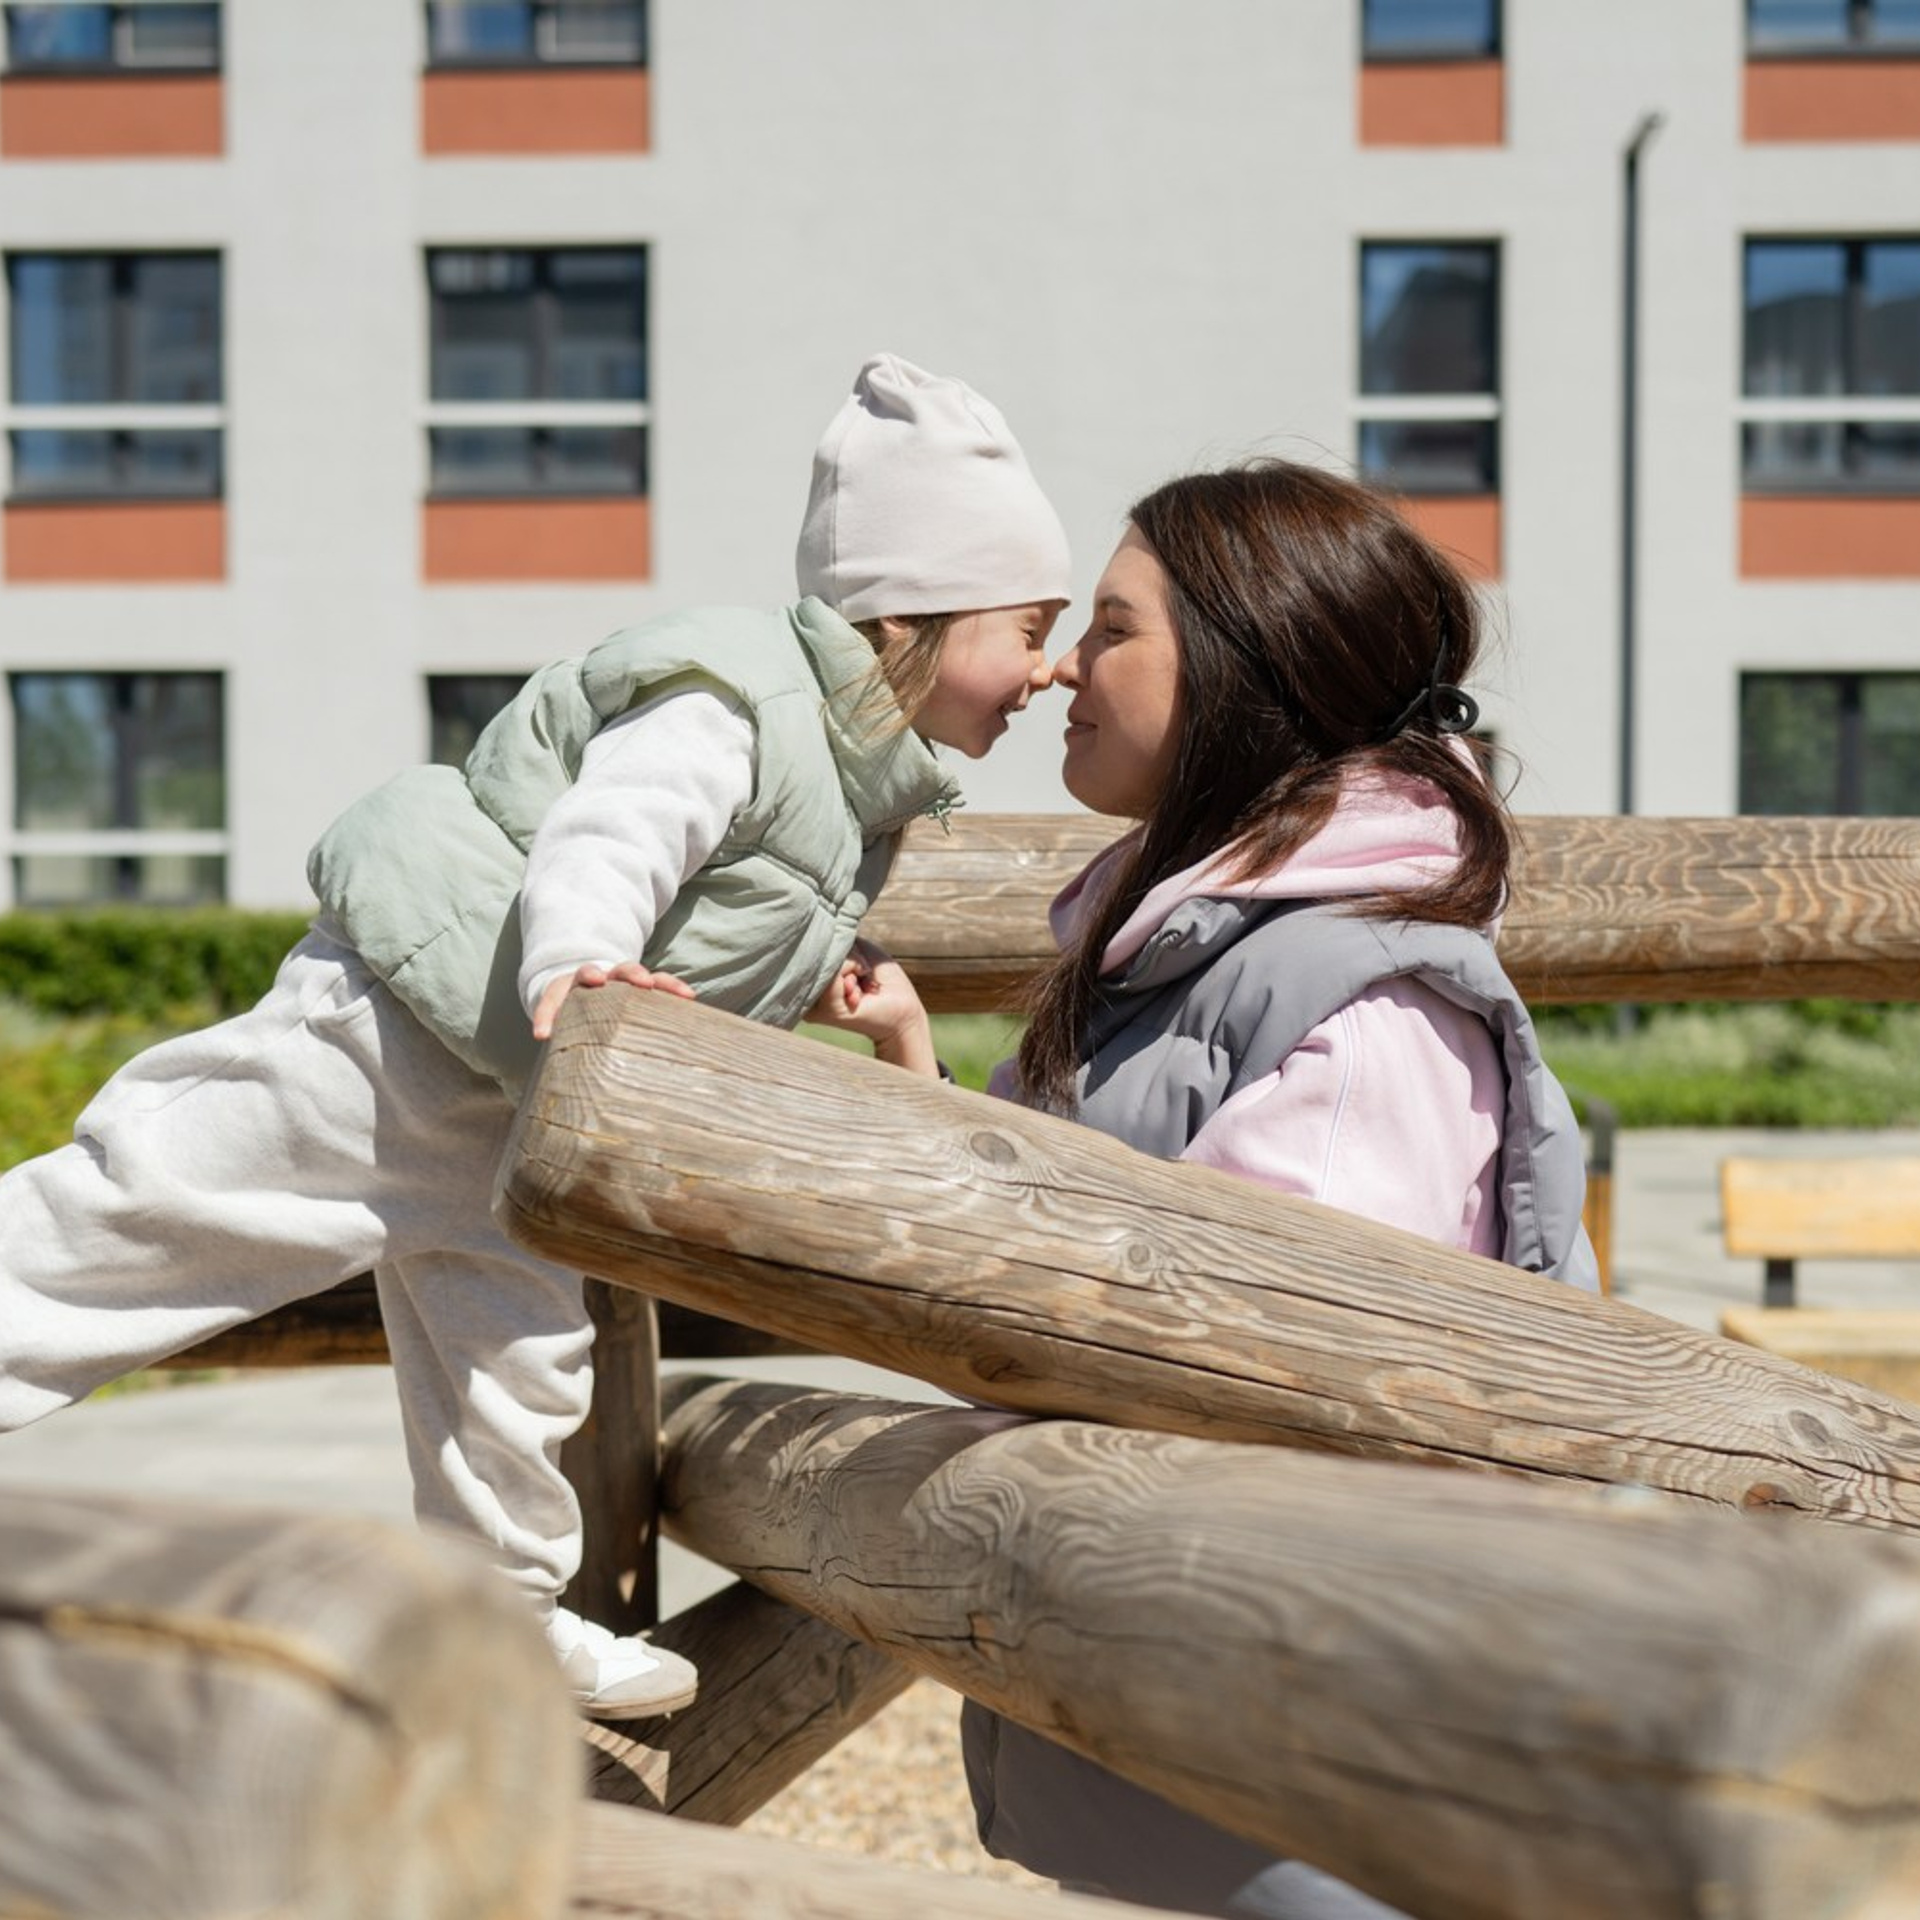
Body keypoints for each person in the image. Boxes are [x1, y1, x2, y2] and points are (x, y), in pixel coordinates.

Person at [0, 352, 1071, 1720]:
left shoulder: (855, 794)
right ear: (914, 611)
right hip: (402, 1041)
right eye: (1031, 627)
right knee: (147, 1207)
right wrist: (577, 949)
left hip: (516, 1124)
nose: (1044, 672)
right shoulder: (737, 697)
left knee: (520, 1373)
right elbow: (614, 831)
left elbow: (720, 912)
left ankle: (500, 1612)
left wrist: (805, 977)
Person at [812, 457, 1597, 1917]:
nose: (1059, 670)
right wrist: (910, 1065)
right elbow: (1056, 1248)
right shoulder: (1190, 961)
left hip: (1298, 1776)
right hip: (1186, 1745)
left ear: (1244, 669)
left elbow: (1253, 1386)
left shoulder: (1353, 1011)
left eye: (1112, 628)